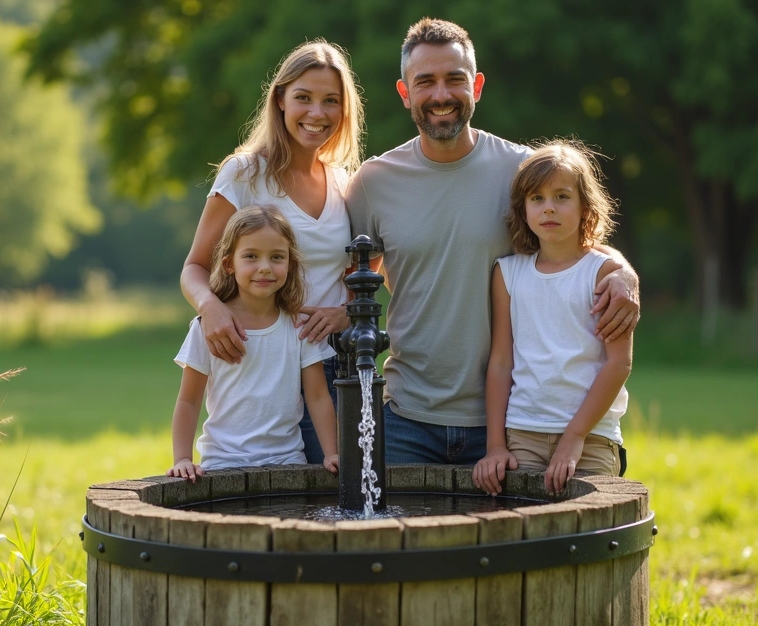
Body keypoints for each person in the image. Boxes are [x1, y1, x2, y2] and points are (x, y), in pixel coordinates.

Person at [346, 18, 641, 465]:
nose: (441, 95)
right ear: (405, 92)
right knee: (399, 537)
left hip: (509, 424)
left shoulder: (524, 172)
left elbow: (578, 246)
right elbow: (351, 279)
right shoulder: (373, 182)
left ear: (477, 86)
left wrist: (623, 272)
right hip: (407, 418)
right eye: (425, 82)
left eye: (455, 79)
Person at [181, 40, 364, 464]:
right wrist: (210, 307)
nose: (317, 113)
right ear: (280, 99)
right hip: (267, 362)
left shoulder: (344, 182)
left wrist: (347, 311)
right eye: (303, 98)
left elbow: (368, 265)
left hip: (336, 368)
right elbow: (195, 266)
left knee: (338, 499)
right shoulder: (244, 173)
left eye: (331, 102)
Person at [473, 141, 632, 496]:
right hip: (523, 435)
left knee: (591, 537)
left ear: (585, 206)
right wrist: (495, 446)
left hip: (592, 438)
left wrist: (574, 437)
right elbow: (500, 362)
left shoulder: (605, 273)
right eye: (537, 199)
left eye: (562, 197)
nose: (549, 208)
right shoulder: (508, 273)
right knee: (525, 539)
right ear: (523, 209)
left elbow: (618, 363)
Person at [168, 205, 341, 480]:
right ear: (229, 264)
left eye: (276, 257)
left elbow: (318, 396)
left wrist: (331, 453)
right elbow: (189, 400)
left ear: (290, 264)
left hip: (288, 466)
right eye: (250, 256)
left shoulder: (299, 326)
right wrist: (183, 459)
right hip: (221, 467)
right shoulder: (208, 328)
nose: (264, 267)